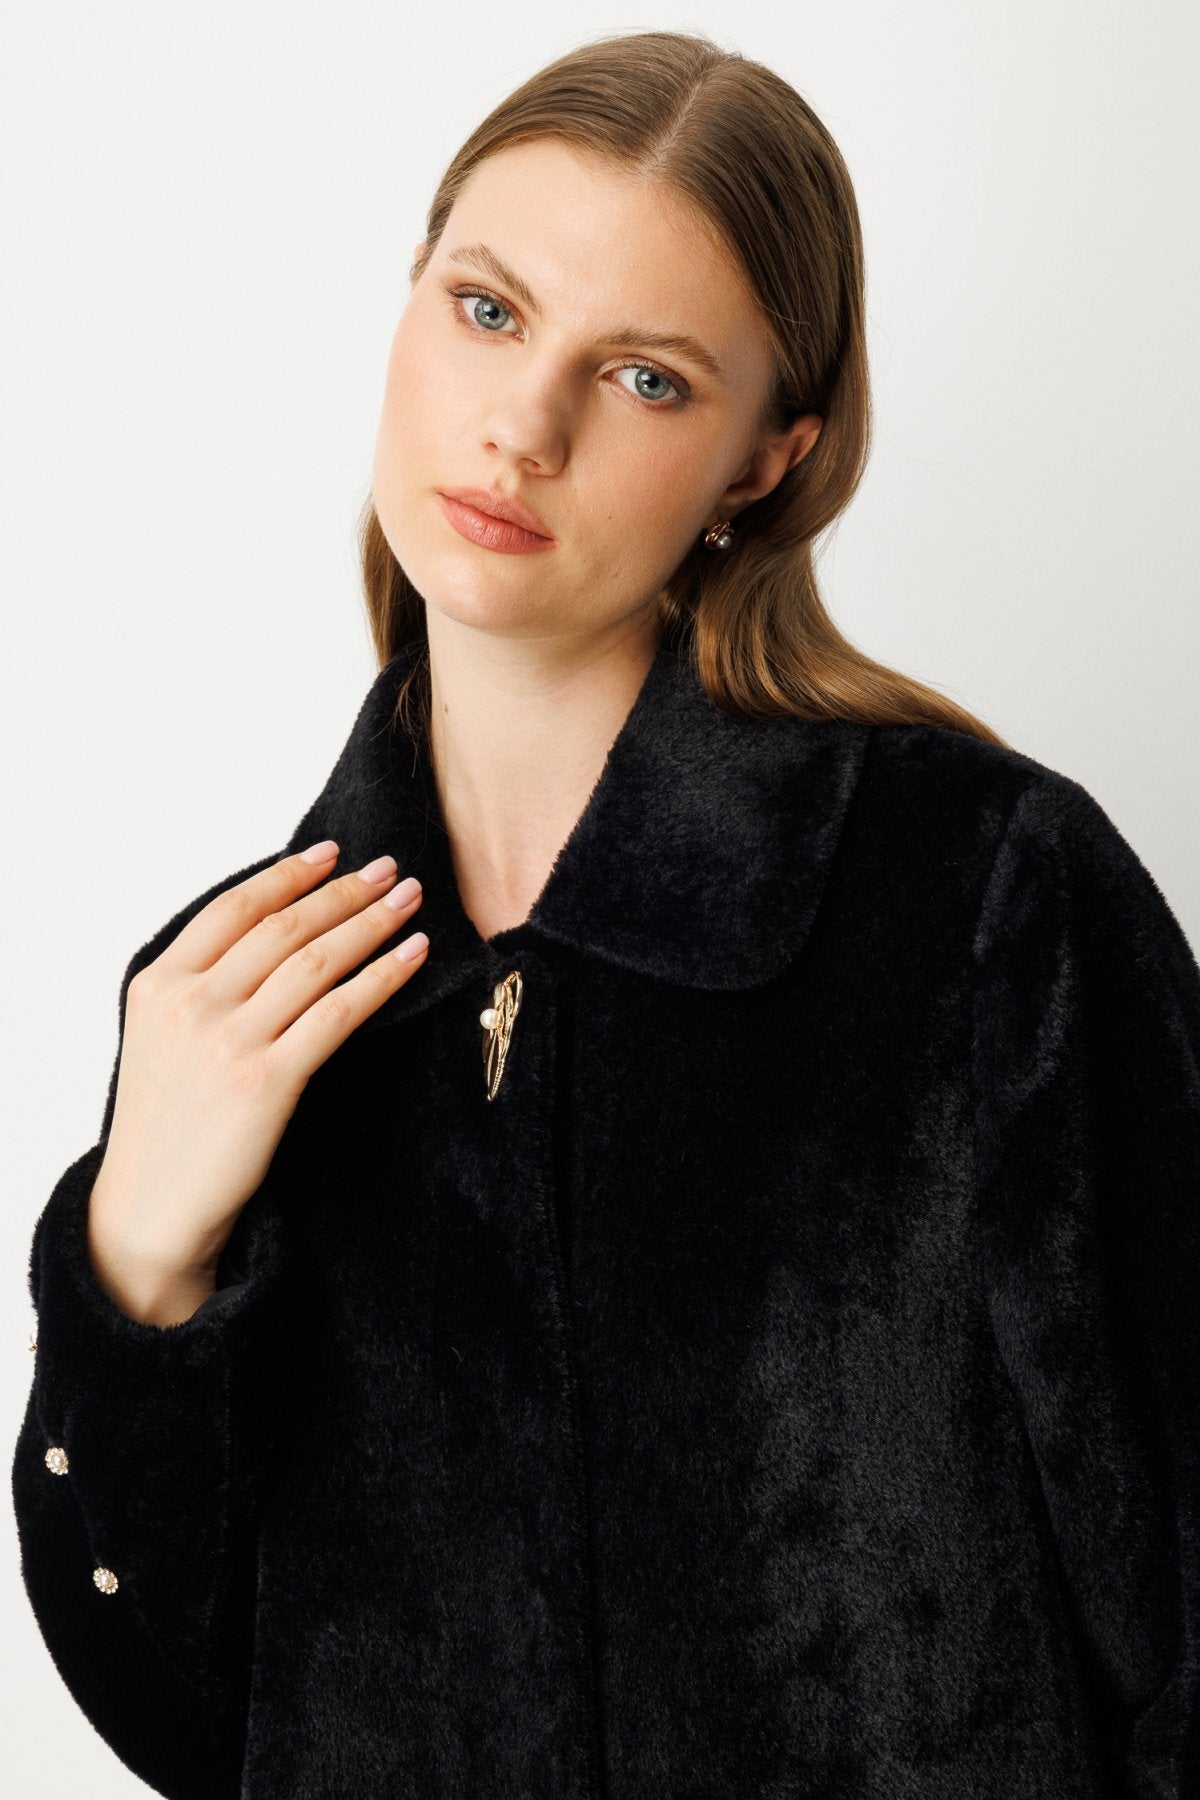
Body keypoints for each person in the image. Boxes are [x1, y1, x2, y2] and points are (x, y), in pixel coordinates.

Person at [11, 27, 1200, 1800]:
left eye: (645, 378)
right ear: (411, 299)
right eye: (488, 309)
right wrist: (137, 1268)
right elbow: (188, 1721)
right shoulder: (232, 992)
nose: (524, 426)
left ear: (766, 461)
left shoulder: (985, 905)